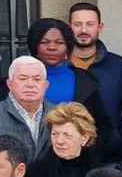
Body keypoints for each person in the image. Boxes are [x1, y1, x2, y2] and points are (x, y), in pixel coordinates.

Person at [25, 18, 115, 148]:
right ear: (35, 47)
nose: (52, 47)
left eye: (59, 42)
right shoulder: (17, 81)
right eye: (44, 42)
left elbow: (103, 127)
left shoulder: (86, 81)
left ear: (68, 47)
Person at [67, 2, 122, 159]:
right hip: (63, 152)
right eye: (78, 24)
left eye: (90, 24)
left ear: (100, 27)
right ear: (68, 27)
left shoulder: (121, 67)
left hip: (109, 156)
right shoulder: (58, 67)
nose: (83, 30)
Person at [23, 101, 101, 177]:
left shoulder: (100, 173)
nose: (59, 141)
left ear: (84, 138)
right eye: (55, 134)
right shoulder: (34, 173)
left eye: (67, 135)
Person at [0, 56, 52, 158]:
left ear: (46, 85)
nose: (30, 84)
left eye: (37, 79)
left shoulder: (58, 114)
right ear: (9, 84)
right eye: (23, 79)